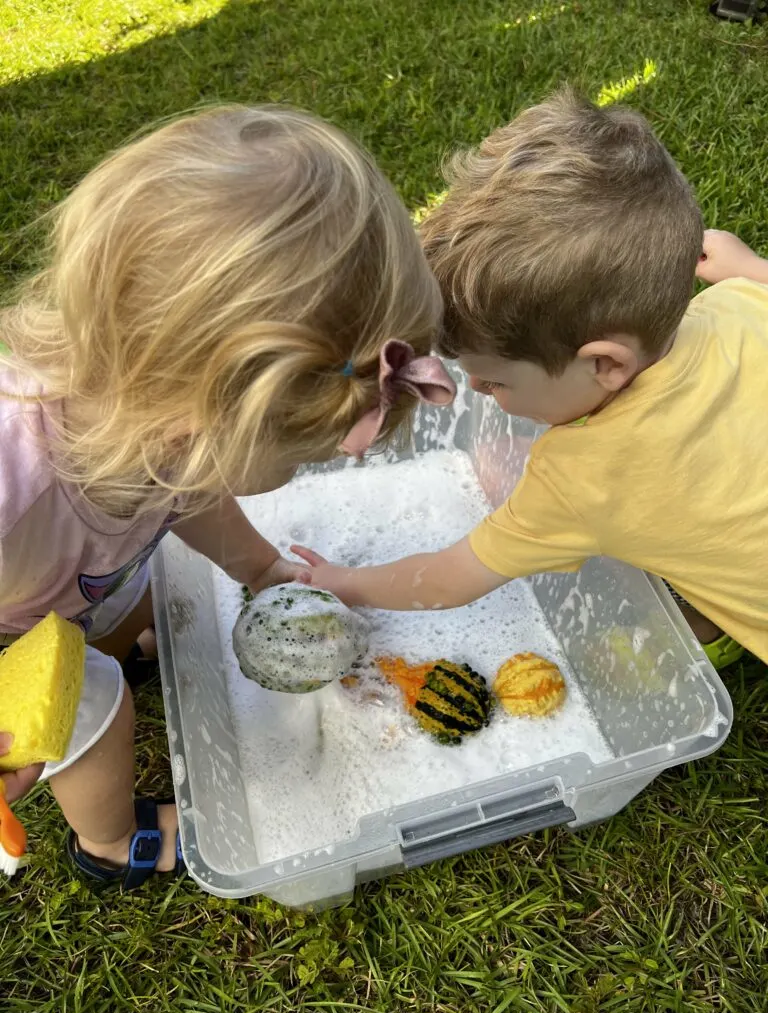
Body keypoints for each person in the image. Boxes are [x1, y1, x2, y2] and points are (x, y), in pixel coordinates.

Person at [0, 105, 455, 889]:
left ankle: (122, 640)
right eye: (302, 454)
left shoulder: (166, 434)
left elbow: (194, 497)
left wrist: (262, 566)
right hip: (19, 645)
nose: (314, 464)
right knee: (97, 705)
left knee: (125, 606)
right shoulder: (15, 476)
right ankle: (111, 842)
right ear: (208, 422)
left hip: (67, 583)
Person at [294, 89, 768, 669]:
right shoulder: (743, 305)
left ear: (606, 364)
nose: (476, 393)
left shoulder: (580, 477)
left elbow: (448, 579)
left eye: (494, 384)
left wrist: (345, 582)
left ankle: (699, 620)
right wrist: (750, 269)